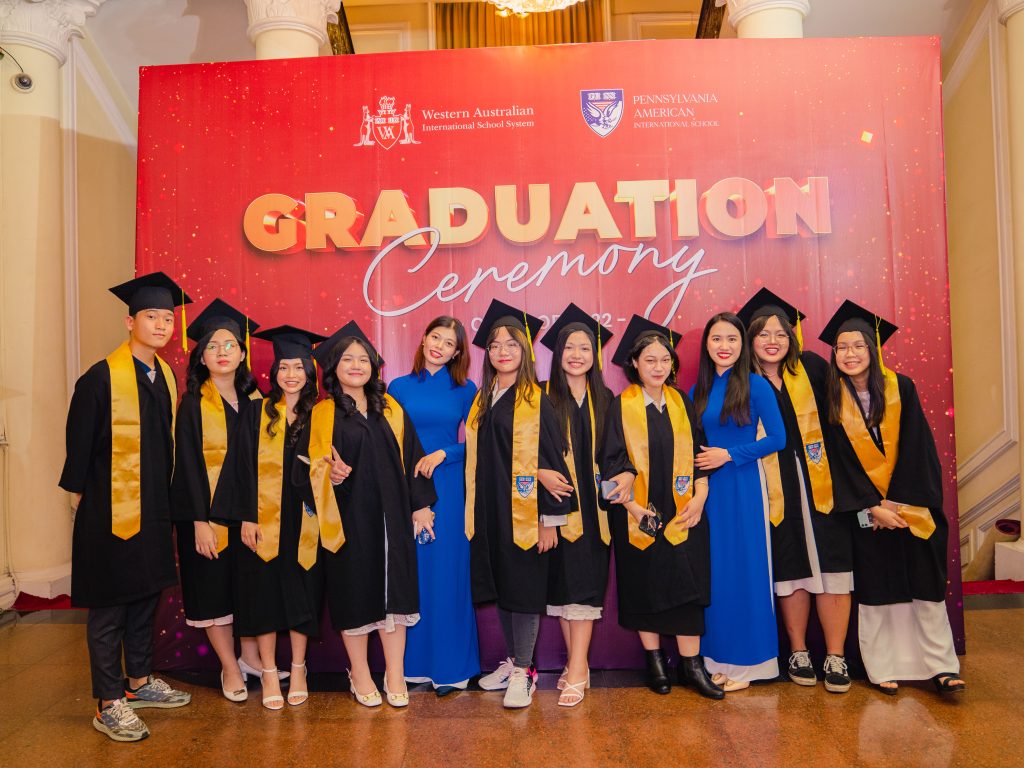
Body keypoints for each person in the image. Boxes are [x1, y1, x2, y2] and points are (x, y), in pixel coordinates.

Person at [60, 272, 192, 742]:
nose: (161, 326)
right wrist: (81, 502)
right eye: (151, 317)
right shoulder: (100, 378)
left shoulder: (165, 376)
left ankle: (138, 680)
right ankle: (108, 701)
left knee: (145, 597)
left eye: (167, 319)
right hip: (109, 511)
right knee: (110, 606)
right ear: (129, 321)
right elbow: (78, 448)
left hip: (153, 509)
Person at [819, 300, 964, 697]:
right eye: (842, 347)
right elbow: (838, 461)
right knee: (876, 591)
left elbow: (919, 449)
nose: (849, 354)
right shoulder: (832, 399)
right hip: (866, 512)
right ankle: (881, 666)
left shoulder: (901, 387)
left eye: (857, 346)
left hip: (910, 507)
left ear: (872, 348)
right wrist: (872, 505)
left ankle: (940, 666)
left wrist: (898, 503)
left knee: (925, 588)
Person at [296, 322, 436, 708]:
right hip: (349, 521)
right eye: (347, 359)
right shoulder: (322, 415)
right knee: (354, 595)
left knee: (396, 599)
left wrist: (421, 505)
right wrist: (330, 474)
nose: (356, 365)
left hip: (393, 521)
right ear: (333, 367)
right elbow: (302, 472)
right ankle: (358, 673)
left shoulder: (390, 409)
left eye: (363, 359)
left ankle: (394, 672)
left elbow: (413, 457)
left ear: (373, 366)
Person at [600, 315, 723, 700]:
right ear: (634, 364)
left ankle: (692, 666)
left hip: (684, 511)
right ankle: (654, 662)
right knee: (644, 584)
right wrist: (635, 509)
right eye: (649, 360)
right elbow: (610, 463)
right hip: (638, 514)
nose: (658, 367)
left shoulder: (682, 402)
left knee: (689, 584)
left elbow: (701, 454)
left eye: (665, 360)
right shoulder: (620, 406)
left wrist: (701, 496)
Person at [737, 289, 853, 694]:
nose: (773, 341)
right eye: (763, 334)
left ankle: (836, 655)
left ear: (792, 337)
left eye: (781, 333)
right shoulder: (741, 382)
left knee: (833, 568)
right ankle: (798, 651)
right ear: (750, 339)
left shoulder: (813, 368)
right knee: (792, 570)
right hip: (773, 488)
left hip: (824, 484)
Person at [466, 299, 573, 709]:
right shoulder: (484, 398)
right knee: (504, 587)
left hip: (525, 512)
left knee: (523, 588)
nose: (503, 351)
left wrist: (549, 520)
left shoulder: (538, 398)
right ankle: (515, 663)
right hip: (490, 509)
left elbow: (554, 461)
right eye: (495, 345)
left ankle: (525, 672)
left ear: (525, 351)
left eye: (511, 344)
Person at [220, 325, 327, 709]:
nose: (291, 374)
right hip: (263, 519)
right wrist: (247, 517)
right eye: (284, 367)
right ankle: (268, 671)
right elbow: (240, 467)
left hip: (305, 519)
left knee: (302, 592)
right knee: (262, 594)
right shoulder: (256, 411)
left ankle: (298, 668)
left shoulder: (322, 414)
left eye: (298, 367)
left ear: (309, 372)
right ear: (274, 372)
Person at [170, 299, 262, 704]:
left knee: (249, 590)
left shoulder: (257, 399)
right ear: (201, 357)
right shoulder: (192, 403)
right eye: (212, 346)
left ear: (242, 353)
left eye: (230, 345)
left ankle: (251, 658)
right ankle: (230, 667)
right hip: (208, 516)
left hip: (250, 514)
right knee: (213, 593)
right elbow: (188, 466)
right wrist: (199, 521)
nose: (222, 352)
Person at [691, 311, 786, 691]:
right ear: (706, 344)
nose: (724, 346)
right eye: (717, 338)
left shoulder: (755, 384)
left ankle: (750, 665)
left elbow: (777, 439)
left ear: (742, 344)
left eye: (732, 339)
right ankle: (717, 660)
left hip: (743, 485)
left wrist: (729, 455)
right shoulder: (698, 390)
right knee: (716, 574)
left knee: (745, 570)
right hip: (707, 491)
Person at [388, 316, 480, 696]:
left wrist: (445, 453)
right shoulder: (398, 387)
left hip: (449, 488)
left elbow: (478, 441)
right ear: (424, 339)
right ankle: (412, 668)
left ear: (457, 352)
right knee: (415, 577)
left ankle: (451, 669)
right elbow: (390, 441)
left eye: (449, 343)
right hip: (408, 488)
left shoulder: (466, 389)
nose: (440, 346)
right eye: (435, 337)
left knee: (448, 576)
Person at [537, 304, 614, 707]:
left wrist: (625, 478)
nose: (577, 355)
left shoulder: (606, 398)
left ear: (594, 355)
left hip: (597, 513)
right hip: (557, 510)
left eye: (585, 348)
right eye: (569, 347)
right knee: (565, 594)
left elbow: (617, 454)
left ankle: (578, 668)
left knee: (584, 591)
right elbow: (527, 453)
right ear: (558, 353)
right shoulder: (542, 397)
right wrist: (543, 510)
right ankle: (575, 663)